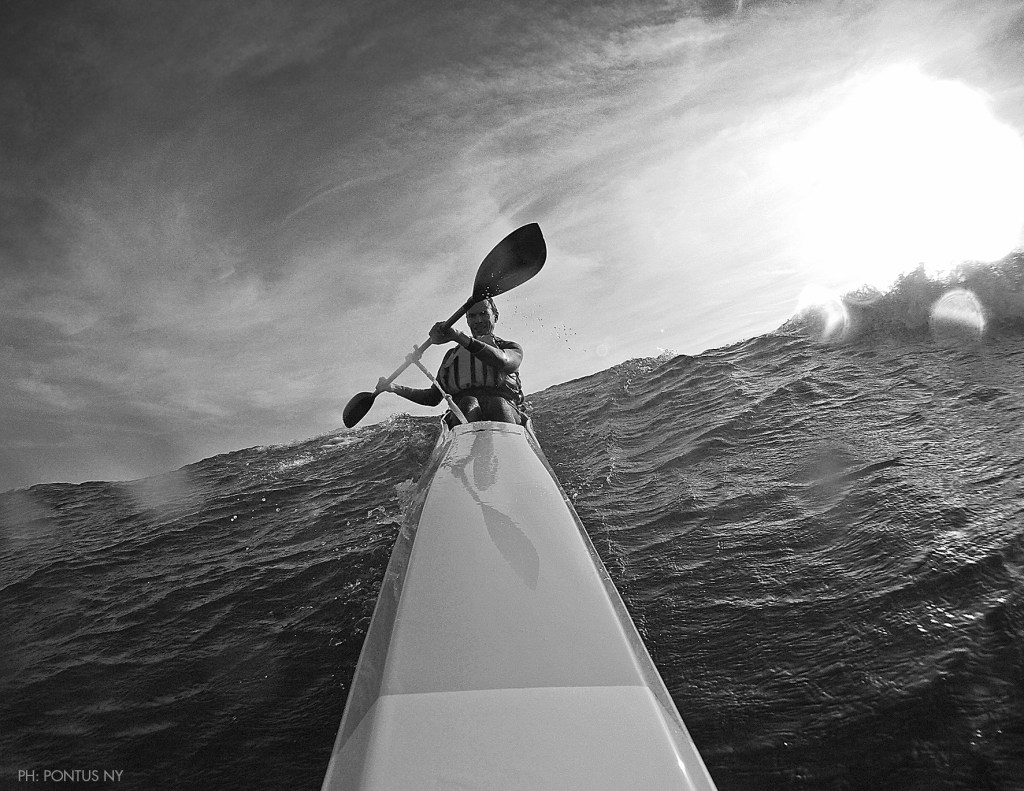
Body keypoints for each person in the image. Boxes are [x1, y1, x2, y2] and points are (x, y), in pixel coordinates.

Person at [377, 298, 524, 423]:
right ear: (467, 320)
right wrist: (394, 388)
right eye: (472, 316)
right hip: (465, 415)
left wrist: (458, 336)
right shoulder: (452, 356)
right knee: (468, 402)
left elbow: (503, 362)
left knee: (497, 404)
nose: (478, 320)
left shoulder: (510, 348)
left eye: (484, 314)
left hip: (506, 414)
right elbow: (432, 398)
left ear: (495, 316)